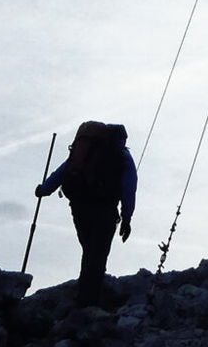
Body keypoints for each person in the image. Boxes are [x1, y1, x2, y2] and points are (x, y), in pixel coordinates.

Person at [36, 122, 137, 308]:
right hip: (104, 209)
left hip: (79, 206)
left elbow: (63, 171)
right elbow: (128, 189)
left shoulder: (86, 151)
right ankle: (88, 301)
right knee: (97, 253)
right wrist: (127, 218)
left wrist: (44, 189)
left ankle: (87, 292)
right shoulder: (122, 157)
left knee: (89, 249)